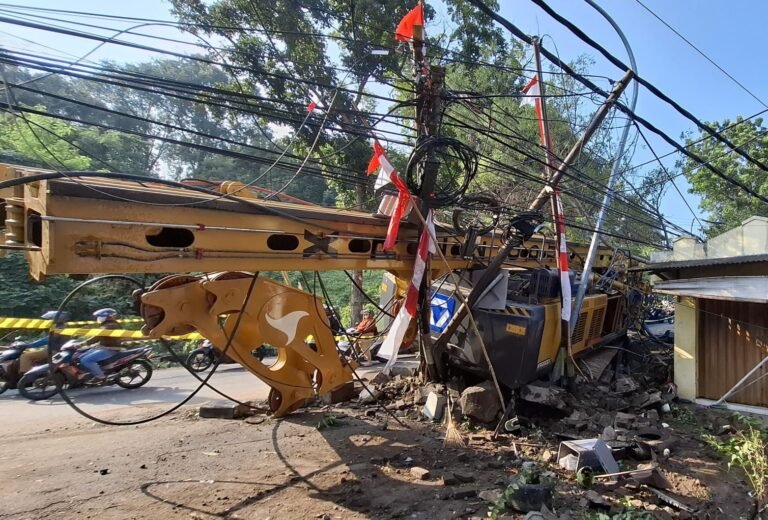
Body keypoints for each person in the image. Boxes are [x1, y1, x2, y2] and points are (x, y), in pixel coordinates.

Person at [78, 308, 124, 383]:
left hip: (110, 349)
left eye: (99, 316)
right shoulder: (107, 324)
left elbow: (98, 336)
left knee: (86, 360)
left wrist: (85, 343)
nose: (98, 319)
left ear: (106, 316)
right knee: (80, 356)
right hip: (103, 347)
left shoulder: (110, 325)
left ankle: (101, 376)